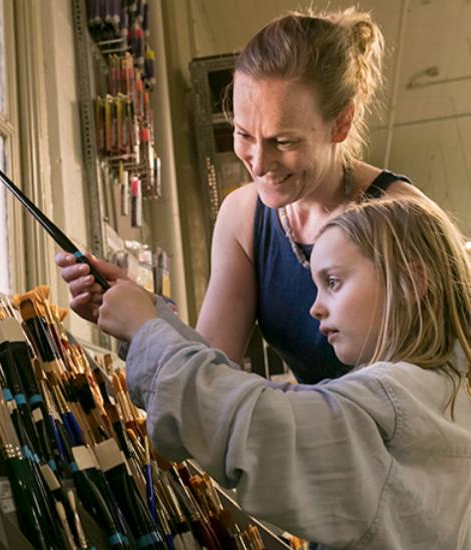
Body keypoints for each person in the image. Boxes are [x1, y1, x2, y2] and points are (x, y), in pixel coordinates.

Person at [56, 8, 430, 384]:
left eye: (283, 141)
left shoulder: (404, 217)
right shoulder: (242, 215)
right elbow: (211, 370)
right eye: (243, 135)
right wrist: (142, 314)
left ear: (341, 123)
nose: (260, 163)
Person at [94, 199, 471, 550]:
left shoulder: (389, 404)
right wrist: (150, 316)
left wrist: (144, 330)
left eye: (333, 282)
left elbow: (252, 422)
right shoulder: (444, 393)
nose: (316, 308)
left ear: (409, 283)